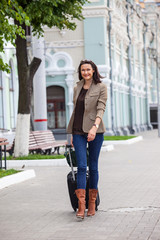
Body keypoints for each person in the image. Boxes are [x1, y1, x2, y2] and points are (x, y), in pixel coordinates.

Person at [67, 60, 107, 219]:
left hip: (95, 131)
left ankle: (92, 203)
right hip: (77, 131)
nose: (86, 72)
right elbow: (76, 110)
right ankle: (81, 205)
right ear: (80, 72)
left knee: (93, 166)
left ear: (94, 70)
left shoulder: (101, 87)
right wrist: (71, 134)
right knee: (82, 167)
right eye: (83, 70)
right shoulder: (77, 87)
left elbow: (101, 107)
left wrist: (94, 127)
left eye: (88, 70)